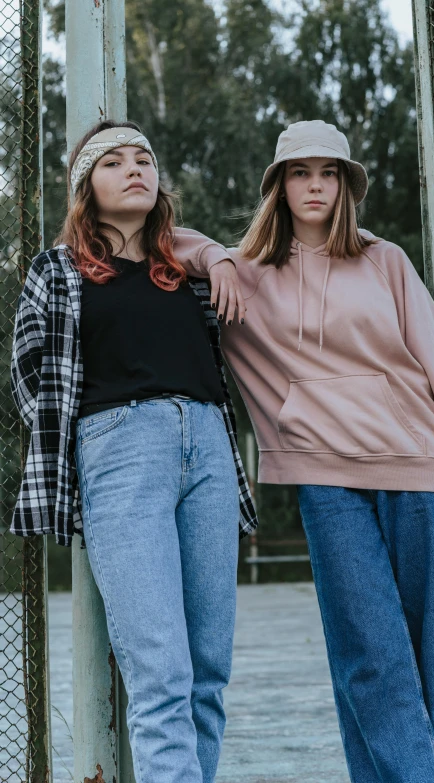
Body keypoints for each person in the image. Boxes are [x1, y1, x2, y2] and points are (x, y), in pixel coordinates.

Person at [215, 120, 434, 783]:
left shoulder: (385, 260)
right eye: (299, 172)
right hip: (325, 478)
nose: (314, 185)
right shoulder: (246, 274)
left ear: (346, 184)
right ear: (278, 186)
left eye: (328, 173)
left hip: (420, 466)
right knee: (367, 655)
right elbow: (171, 243)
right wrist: (215, 256)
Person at [11, 120, 256, 783]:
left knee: (208, 669)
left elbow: (235, 278)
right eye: (114, 161)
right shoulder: (57, 271)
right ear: (86, 185)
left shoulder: (186, 272)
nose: (135, 168)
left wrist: (220, 255)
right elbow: (29, 372)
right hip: (121, 450)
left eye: (145, 158)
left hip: (207, 448)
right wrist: (94, 441)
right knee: (161, 672)